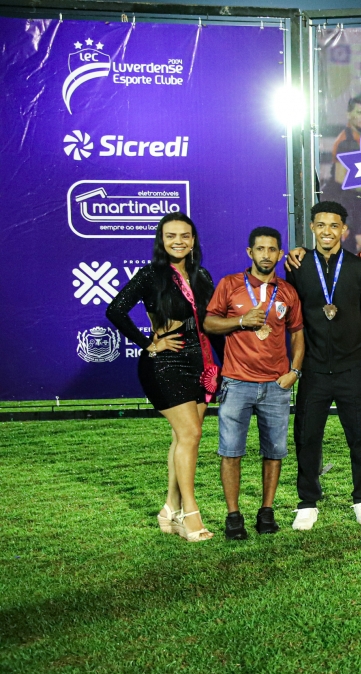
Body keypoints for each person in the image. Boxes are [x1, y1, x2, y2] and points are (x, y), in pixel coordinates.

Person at [106, 212, 217, 542]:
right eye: (171, 236)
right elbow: (115, 310)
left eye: (184, 236)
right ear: (161, 240)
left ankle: (170, 509)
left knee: (185, 438)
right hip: (166, 363)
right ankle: (190, 514)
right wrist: (149, 343)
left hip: (200, 363)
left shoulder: (202, 276)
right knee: (191, 434)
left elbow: (212, 321)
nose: (178, 241)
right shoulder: (150, 275)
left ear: (193, 240)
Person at [203, 227, 305, 539]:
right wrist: (240, 321)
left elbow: (297, 334)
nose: (266, 255)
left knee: (274, 451)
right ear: (250, 252)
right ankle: (233, 516)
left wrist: (295, 371)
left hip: (276, 385)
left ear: (280, 254)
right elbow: (209, 323)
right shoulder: (229, 284)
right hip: (237, 383)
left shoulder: (287, 291)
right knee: (231, 451)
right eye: (260, 249)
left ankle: (266, 511)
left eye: (272, 249)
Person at [285, 201, 361, 530]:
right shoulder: (297, 266)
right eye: (321, 225)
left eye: (334, 225)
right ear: (312, 227)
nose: (327, 231)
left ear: (344, 230)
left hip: (351, 366)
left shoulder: (358, 269)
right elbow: (294, 314)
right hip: (314, 368)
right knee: (307, 436)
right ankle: (307, 502)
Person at [326, 95, 361, 253]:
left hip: (359, 200)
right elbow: (340, 179)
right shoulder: (345, 141)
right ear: (349, 115)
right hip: (346, 200)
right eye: (359, 112)